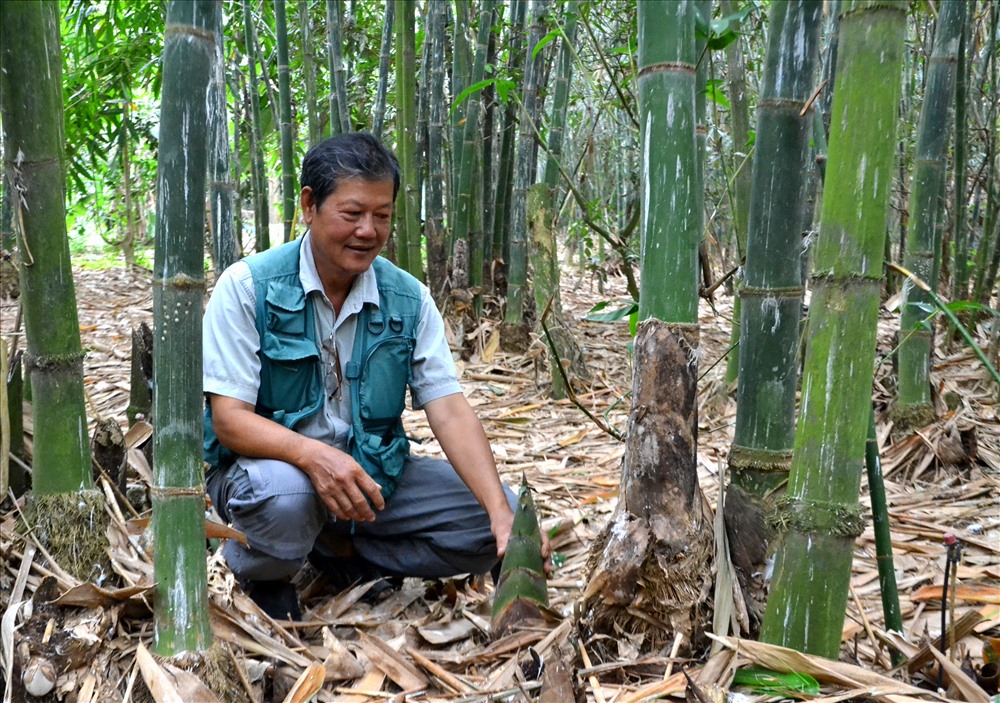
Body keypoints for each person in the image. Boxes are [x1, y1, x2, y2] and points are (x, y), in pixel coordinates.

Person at [203, 132, 531, 620]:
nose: (368, 231)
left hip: (371, 476)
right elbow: (229, 420)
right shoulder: (247, 287)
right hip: (272, 475)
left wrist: (503, 517)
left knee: (498, 516)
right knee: (287, 497)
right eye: (352, 214)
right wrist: (314, 456)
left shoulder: (409, 298)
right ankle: (262, 570)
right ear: (310, 206)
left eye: (382, 216)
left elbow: (449, 409)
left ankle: (342, 555)